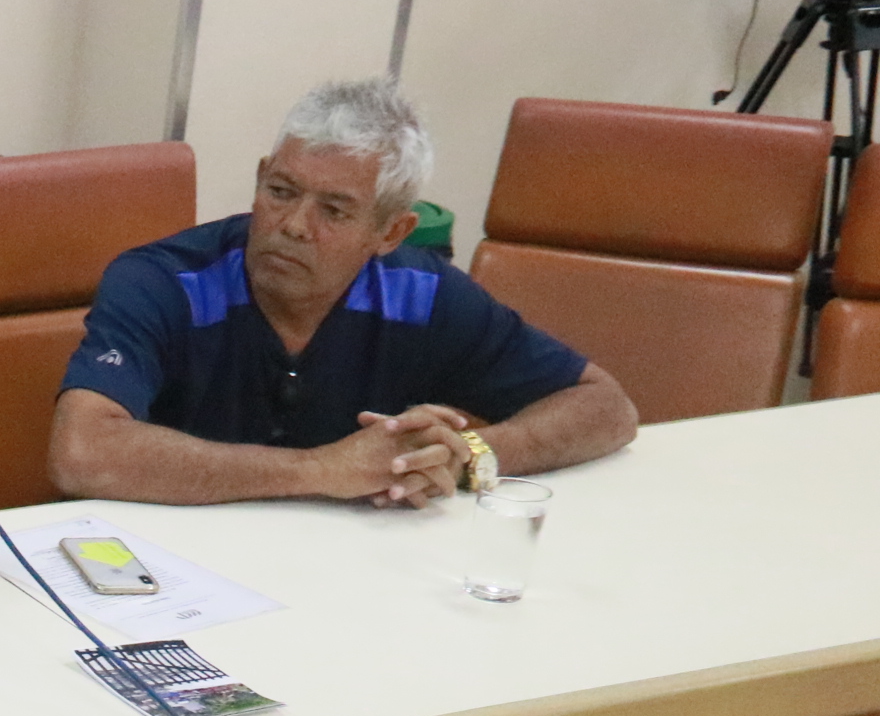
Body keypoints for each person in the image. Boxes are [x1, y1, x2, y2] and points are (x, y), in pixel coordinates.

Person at [48, 76, 637, 507]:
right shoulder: (162, 282)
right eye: (281, 191)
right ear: (260, 177)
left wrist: (464, 455)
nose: (293, 225)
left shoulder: (422, 295)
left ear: (391, 232)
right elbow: (81, 452)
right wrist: (320, 470)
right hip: (172, 567)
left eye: (333, 210)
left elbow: (605, 407)